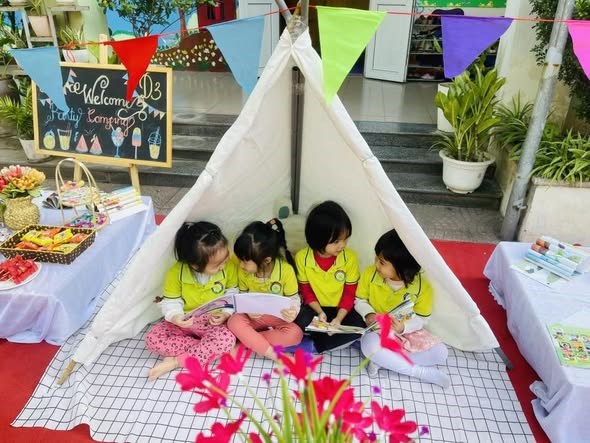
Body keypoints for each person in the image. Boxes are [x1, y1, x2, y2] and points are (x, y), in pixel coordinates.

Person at [355, 229, 450, 388]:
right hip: (378, 331)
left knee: (441, 353)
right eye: (376, 258)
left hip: (407, 332)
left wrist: (403, 328)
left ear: (402, 267)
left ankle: (383, 362)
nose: (375, 264)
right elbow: (360, 300)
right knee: (368, 345)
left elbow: (422, 319)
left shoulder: (422, 287)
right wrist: (369, 314)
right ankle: (419, 372)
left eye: (382, 262)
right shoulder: (370, 274)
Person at [145, 221, 238, 380]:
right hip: (185, 320)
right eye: (217, 265)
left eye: (225, 258)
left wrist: (225, 314)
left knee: (225, 339)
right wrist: (176, 317)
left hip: (212, 322)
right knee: (152, 339)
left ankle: (177, 361)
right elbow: (171, 300)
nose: (223, 266)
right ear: (194, 265)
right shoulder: (176, 273)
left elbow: (232, 293)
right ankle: (208, 348)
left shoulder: (229, 268)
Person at [293, 200, 366, 353]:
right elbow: (306, 290)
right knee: (299, 318)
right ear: (318, 239)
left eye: (346, 238)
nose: (343, 245)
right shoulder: (302, 257)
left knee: (360, 324)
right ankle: (328, 341)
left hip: (342, 309)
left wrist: (338, 319)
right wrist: (320, 312)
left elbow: (350, 292)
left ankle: (314, 344)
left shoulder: (350, 258)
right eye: (336, 241)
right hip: (315, 309)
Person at [227, 219, 302, 360]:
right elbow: (242, 295)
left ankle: (246, 344)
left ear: (267, 260)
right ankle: (275, 355)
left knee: (296, 334)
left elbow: (293, 298)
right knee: (233, 322)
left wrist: (293, 311)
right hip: (252, 316)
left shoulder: (286, 271)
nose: (241, 265)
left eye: (245, 261)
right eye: (240, 260)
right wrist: (248, 309)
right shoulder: (243, 271)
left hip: (276, 316)